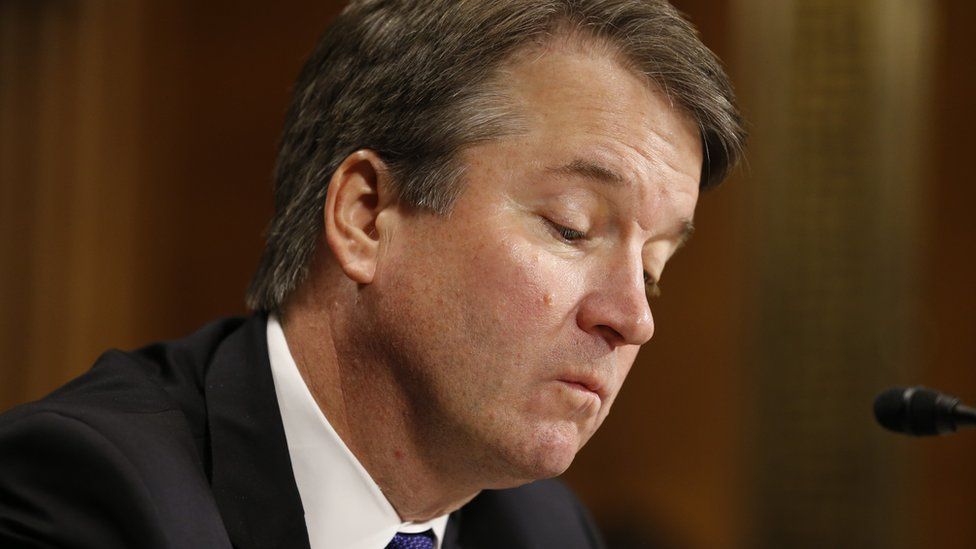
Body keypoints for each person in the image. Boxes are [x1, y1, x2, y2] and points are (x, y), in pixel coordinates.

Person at [0, 1, 744, 547]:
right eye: (571, 226)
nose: (633, 317)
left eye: (654, 267)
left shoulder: (543, 529)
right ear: (366, 215)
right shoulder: (86, 495)